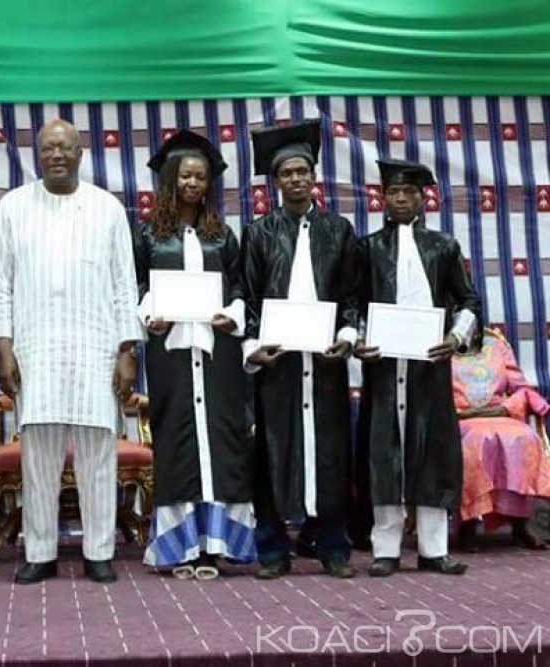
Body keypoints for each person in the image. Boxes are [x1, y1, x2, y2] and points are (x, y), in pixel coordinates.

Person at [0, 119, 144, 584]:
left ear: (80, 154)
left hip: (96, 346)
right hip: (34, 349)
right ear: (38, 155)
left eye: (65, 148)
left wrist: (126, 350)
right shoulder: (14, 207)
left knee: (100, 452)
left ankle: (99, 550)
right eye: (47, 149)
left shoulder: (107, 208)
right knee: (38, 454)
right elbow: (1, 284)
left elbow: (123, 285)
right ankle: (40, 551)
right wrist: (4, 348)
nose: (56, 155)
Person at [133, 130, 255, 579]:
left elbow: (241, 286)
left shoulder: (221, 235)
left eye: (200, 176)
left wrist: (232, 314)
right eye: (184, 175)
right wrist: (150, 315)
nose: (192, 183)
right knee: (177, 437)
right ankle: (177, 548)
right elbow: (137, 286)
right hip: (170, 350)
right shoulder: (148, 234)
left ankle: (216, 546)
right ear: (169, 180)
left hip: (217, 350)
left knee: (221, 438)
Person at [353, 158, 481, 576]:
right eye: (393, 192)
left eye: (409, 192)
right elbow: (352, 304)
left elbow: (469, 301)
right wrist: (358, 341)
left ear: (422, 199)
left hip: (429, 367)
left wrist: (456, 337)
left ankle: (433, 549)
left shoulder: (443, 246)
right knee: (384, 453)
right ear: (383, 199)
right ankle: (385, 550)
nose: (401, 198)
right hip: (385, 369)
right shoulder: (368, 247)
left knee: (432, 453)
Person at [242, 120, 359, 579]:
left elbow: (351, 297)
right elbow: (248, 298)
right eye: (286, 173)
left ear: (314, 177)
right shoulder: (259, 233)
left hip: (325, 362)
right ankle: (272, 550)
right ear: (275, 182)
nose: (295, 179)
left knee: (330, 453)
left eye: (302, 171)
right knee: (272, 451)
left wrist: (346, 339)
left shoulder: (339, 231)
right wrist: (254, 345)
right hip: (278, 363)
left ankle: (332, 547)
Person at [452, 329, 550, 551]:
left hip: (499, 412)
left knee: (526, 437)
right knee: (478, 441)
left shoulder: (496, 347)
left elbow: (520, 388)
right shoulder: (443, 349)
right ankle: (467, 525)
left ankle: (522, 523)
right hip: (459, 419)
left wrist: (505, 408)